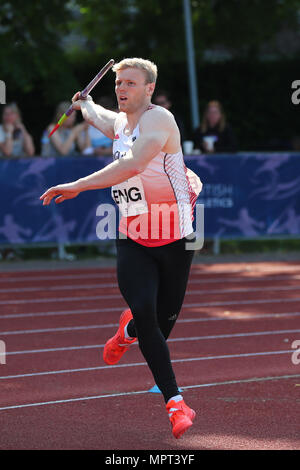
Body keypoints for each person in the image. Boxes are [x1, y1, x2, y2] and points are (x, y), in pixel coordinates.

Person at [40, 58, 203, 439]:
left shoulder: (160, 121)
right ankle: (175, 403)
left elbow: (132, 165)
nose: (122, 89)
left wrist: (78, 184)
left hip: (176, 238)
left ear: (149, 89)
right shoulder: (121, 122)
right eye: (119, 84)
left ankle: (126, 331)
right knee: (147, 314)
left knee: (161, 324)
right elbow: (101, 116)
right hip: (132, 236)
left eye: (131, 83)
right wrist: (85, 104)